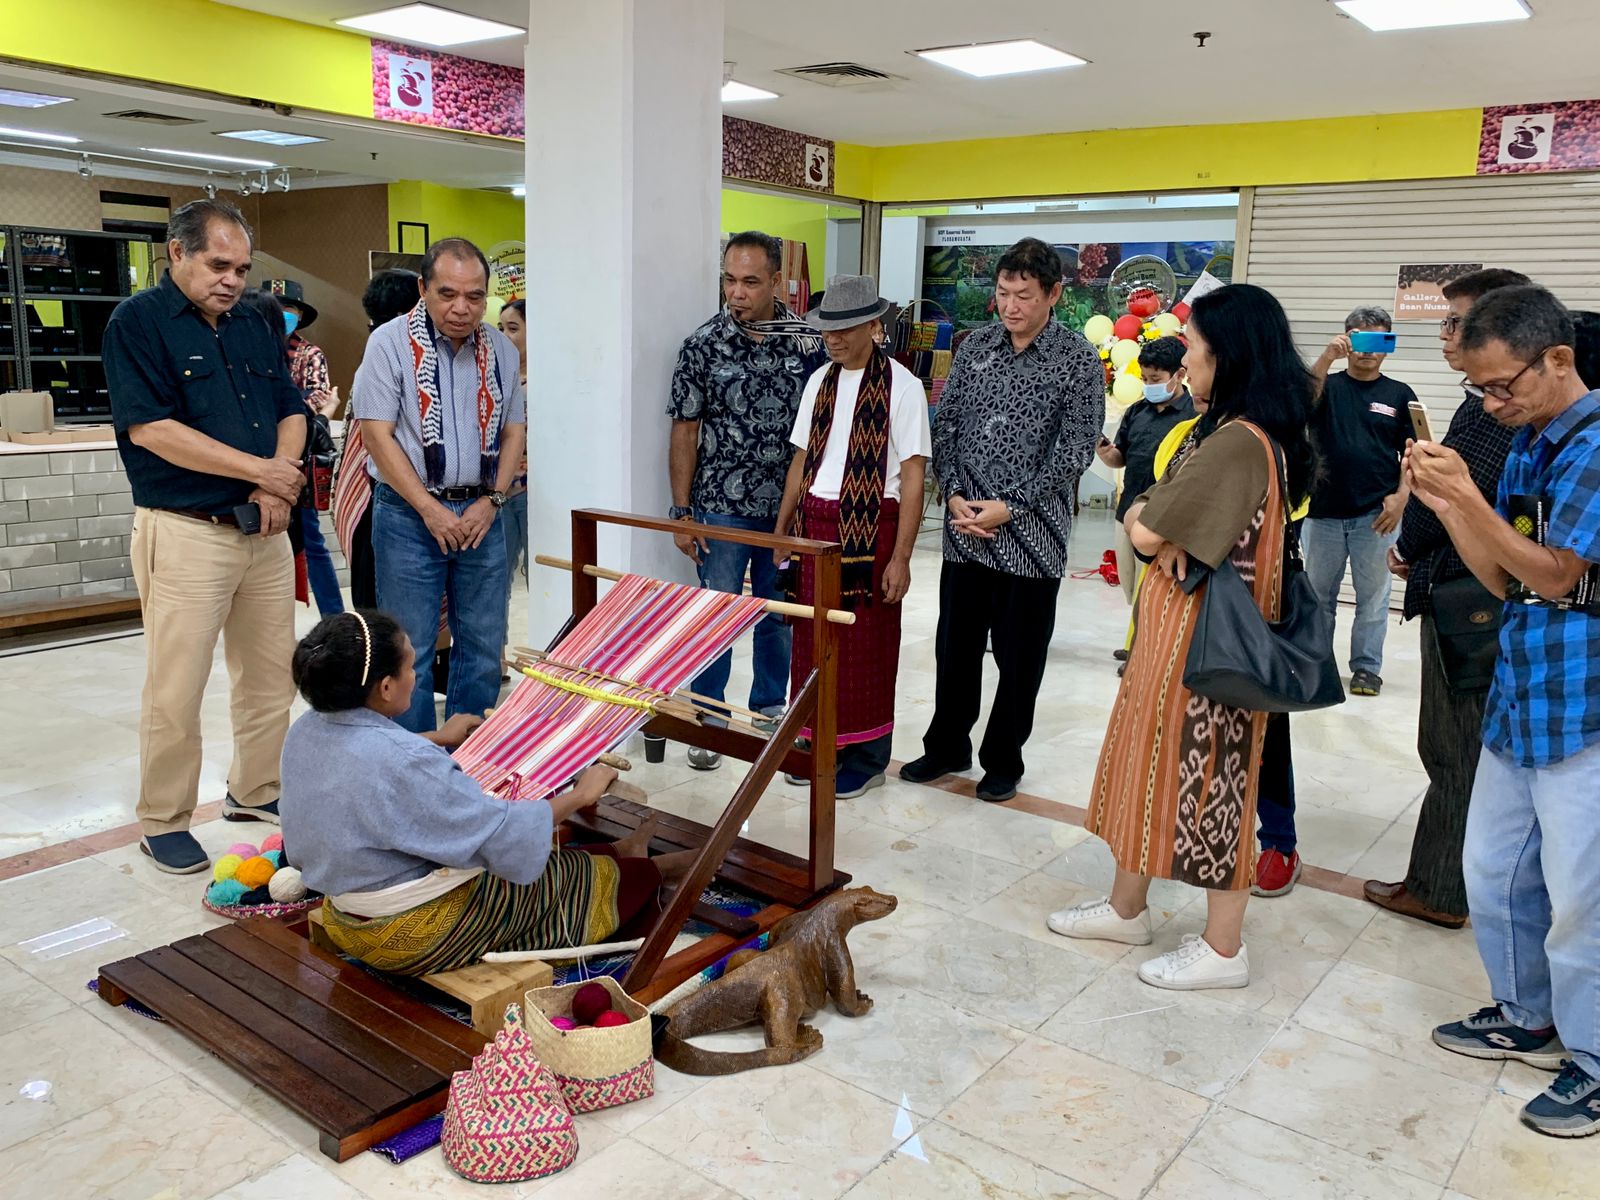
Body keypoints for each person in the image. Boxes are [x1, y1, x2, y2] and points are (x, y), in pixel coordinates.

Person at [1047, 284, 1317, 990]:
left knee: (1213, 781)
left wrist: (1153, 520)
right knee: (1150, 764)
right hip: (1174, 636)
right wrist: (1154, 517)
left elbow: (1144, 529)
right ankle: (1126, 907)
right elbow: (1150, 512)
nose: (1184, 359)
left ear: (1229, 355)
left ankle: (1224, 948)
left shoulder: (1237, 442)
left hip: (1206, 645)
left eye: (1194, 347)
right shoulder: (1220, 428)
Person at [1408, 285, 1600, 1139]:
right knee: (1492, 870)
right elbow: (1504, 577)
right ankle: (1527, 1014)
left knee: (1582, 902)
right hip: (1520, 696)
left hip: (1584, 706)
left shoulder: (1594, 446)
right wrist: (1448, 505)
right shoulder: (1528, 443)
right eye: (1479, 389)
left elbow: (1558, 574)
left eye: (1501, 385)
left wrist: (1471, 502)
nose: (1491, 403)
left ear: (1558, 359)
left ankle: (1594, 1061)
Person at [279, 611, 697, 975]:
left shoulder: (306, 730)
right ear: (386, 688)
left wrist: (438, 737)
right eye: (409, 665)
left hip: (346, 918)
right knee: (571, 884)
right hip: (410, 934)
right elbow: (498, 831)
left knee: (545, 857)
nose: (416, 674)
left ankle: (622, 850)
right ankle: (657, 871)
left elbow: (366, 761)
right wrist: (579, 795)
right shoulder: (406, 760)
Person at [103, 199, 307, 874]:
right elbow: (151, 429)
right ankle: (163, 819)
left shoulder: (255, 319)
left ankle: (257, 789)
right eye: (219, 265)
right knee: (177, 686)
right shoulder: (137, 322)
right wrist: (261, 473)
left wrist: (274, 484)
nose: (232, 280)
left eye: (242, 268)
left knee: (270, 678)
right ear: (178, 253)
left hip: (264, 530)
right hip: (187, 531)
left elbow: (290, 408)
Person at [900, 238, 1104, 802]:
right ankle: (947, 745)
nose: (1011, 306)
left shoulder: (1077, 360)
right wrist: (955, 494)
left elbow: (1074, 451)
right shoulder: (975, 347)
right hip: (966, 531)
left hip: (1032, 539)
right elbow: (947, 424)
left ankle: (1004, 759)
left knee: (1020, 658)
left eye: (1024, 295)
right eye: (1003, 293)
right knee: (954, 650)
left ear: (1054, 294)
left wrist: (1010, 505)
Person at [1364, 268, 1529, 929]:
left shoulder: (1494, 413)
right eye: (1446, 321)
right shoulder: (1483, 404)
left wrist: (1412, 539)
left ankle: (1439, 890)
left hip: (1469, 596)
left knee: (1454, 750)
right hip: (1462, 585)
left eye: (1460, 322)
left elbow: (1460, 498)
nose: (1447, 334)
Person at [352, 239, 526, 733]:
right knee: (410, 650)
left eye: (475, 296)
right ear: (423, 289)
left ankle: (470, 761)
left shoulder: (500, 351)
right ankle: (416, 760)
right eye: (448, 294)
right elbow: (376, 435)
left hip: (480, 515)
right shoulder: (388, 344)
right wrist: (430, 510)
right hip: (408, 516)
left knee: (484, 645)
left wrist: (492, 501)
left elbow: (514, 431)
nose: (461, 308)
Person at [669, 232, 828, 771]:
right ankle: (708, 718)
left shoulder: (807, 344)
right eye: (730, 280)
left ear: (777, 281)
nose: (737, 292)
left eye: (751, 282)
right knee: (714, 616)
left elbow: (820, 432)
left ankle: (768, 712)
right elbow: (685, 429)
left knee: (778, 616)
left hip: (786, 512)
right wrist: (682, 511)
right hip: (721, 508)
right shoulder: (702, 345)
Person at [771, 275, 931, 798]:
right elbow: (801, 459)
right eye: (826, 329)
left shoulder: (902, 387)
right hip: (814, 527)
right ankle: (819, 743)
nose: (832, 339)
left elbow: (913, 477)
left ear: (872, 327)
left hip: (871, 532)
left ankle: (866, 756)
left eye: (843, 329)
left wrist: (902, 557)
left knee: (868, 646)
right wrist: (782, 529)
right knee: (811, 642)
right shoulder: (820, 381)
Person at [1304, 306, 1416, 697]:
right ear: (1347, 339)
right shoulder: (1327, 384)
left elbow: (1414, 453)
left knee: (1374, 599)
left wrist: (1401, 498)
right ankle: (1317, 666)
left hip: (1377, 515)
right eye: (1359, 339)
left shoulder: (1400, 394)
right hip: (1322, 512)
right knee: (1319, 598)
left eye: (1377, 340)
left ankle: (1367, 668)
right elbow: (1301, 403)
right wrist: (1326, 357)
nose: (1367, 350)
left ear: (1388, 344)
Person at [238, 287, 344, 619]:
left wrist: (315, 413)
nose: (285, 316)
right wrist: (320, 412)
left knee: (307, 540)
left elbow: (311, 402)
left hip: (294, 462)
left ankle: (333, 617)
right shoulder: (239, 356)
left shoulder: (308, 353)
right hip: (251, 468)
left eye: (289, 310)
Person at [334, 269, 421, 610]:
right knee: (389, 606)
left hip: (384, 494)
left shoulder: (382, 350)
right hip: (387, 496)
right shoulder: (389, 356)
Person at [1097, 335, 1193, 610]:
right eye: (1145, 379)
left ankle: (1144, 635)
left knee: (1154, 591)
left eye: (1155, 379)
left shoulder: (1193, 414)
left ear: (1180, 375)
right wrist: (1105, 452)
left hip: (1163, 518)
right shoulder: (1137, 411)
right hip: (1127, 509)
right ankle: (1134, 631)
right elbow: (1120, 457)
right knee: (1129, 584)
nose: (1149, 386)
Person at [496, 299, 530, 603]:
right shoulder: (492, 378)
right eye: (501, 328)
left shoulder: (545, 381)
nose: (505, 336)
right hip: (497, 492)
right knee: (495, 578)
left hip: (532, 494)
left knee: (540, 572)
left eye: (513, 328)